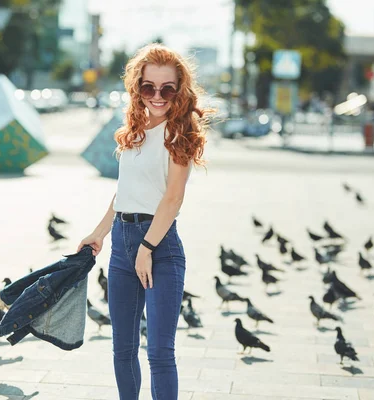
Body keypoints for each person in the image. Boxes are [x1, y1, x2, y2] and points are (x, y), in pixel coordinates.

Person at [77, 43, 209, 400]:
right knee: (122, 350)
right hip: (121, 244)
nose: (158, 96)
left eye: (167, 89)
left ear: (178, 91)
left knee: (160, 353)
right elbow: (124, 194)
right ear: (138, 88)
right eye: (149, 87)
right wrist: (99, 233)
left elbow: (173, 198)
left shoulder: (179, 133)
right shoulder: (132, 131)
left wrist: (147, 247)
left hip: (161, 247)